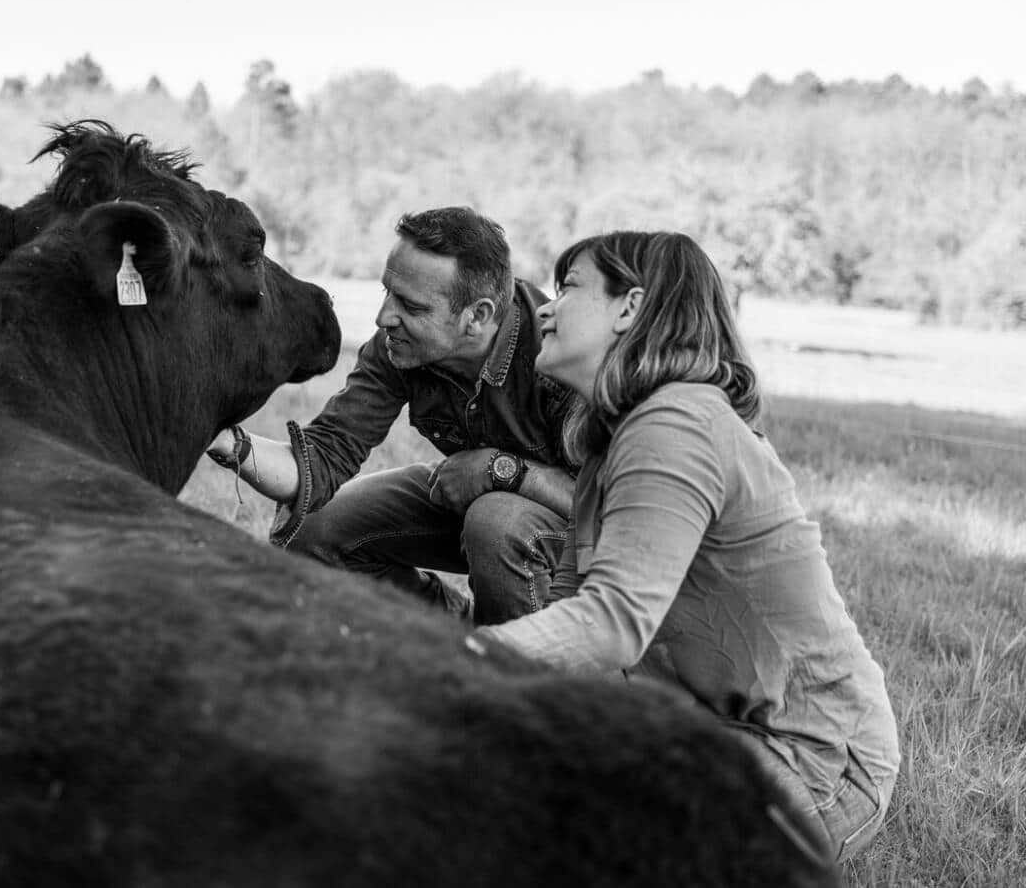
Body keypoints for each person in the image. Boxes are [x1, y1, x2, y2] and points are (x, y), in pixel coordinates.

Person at [467, 231, 899, 862]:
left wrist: (454, 658)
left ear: (630, 307)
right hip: (706, 729)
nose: (544, 308)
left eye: (569, 287)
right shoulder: (608, 443)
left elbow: (610, 623)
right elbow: (568, 615)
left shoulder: (676, 424)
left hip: (814, 762)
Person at [206, 206, 579, 626]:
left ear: (478, 316)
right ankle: (453, 639)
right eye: (387, 292)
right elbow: (320, 461)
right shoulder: (396, 347)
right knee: (312, 528)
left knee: (496, 521)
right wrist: (221, 437)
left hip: (579, 536)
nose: (384, 317)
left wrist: (502, 470)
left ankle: (534, 678)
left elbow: (614, 503)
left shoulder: (562, 354)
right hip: (474, 505)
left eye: (411, 306)